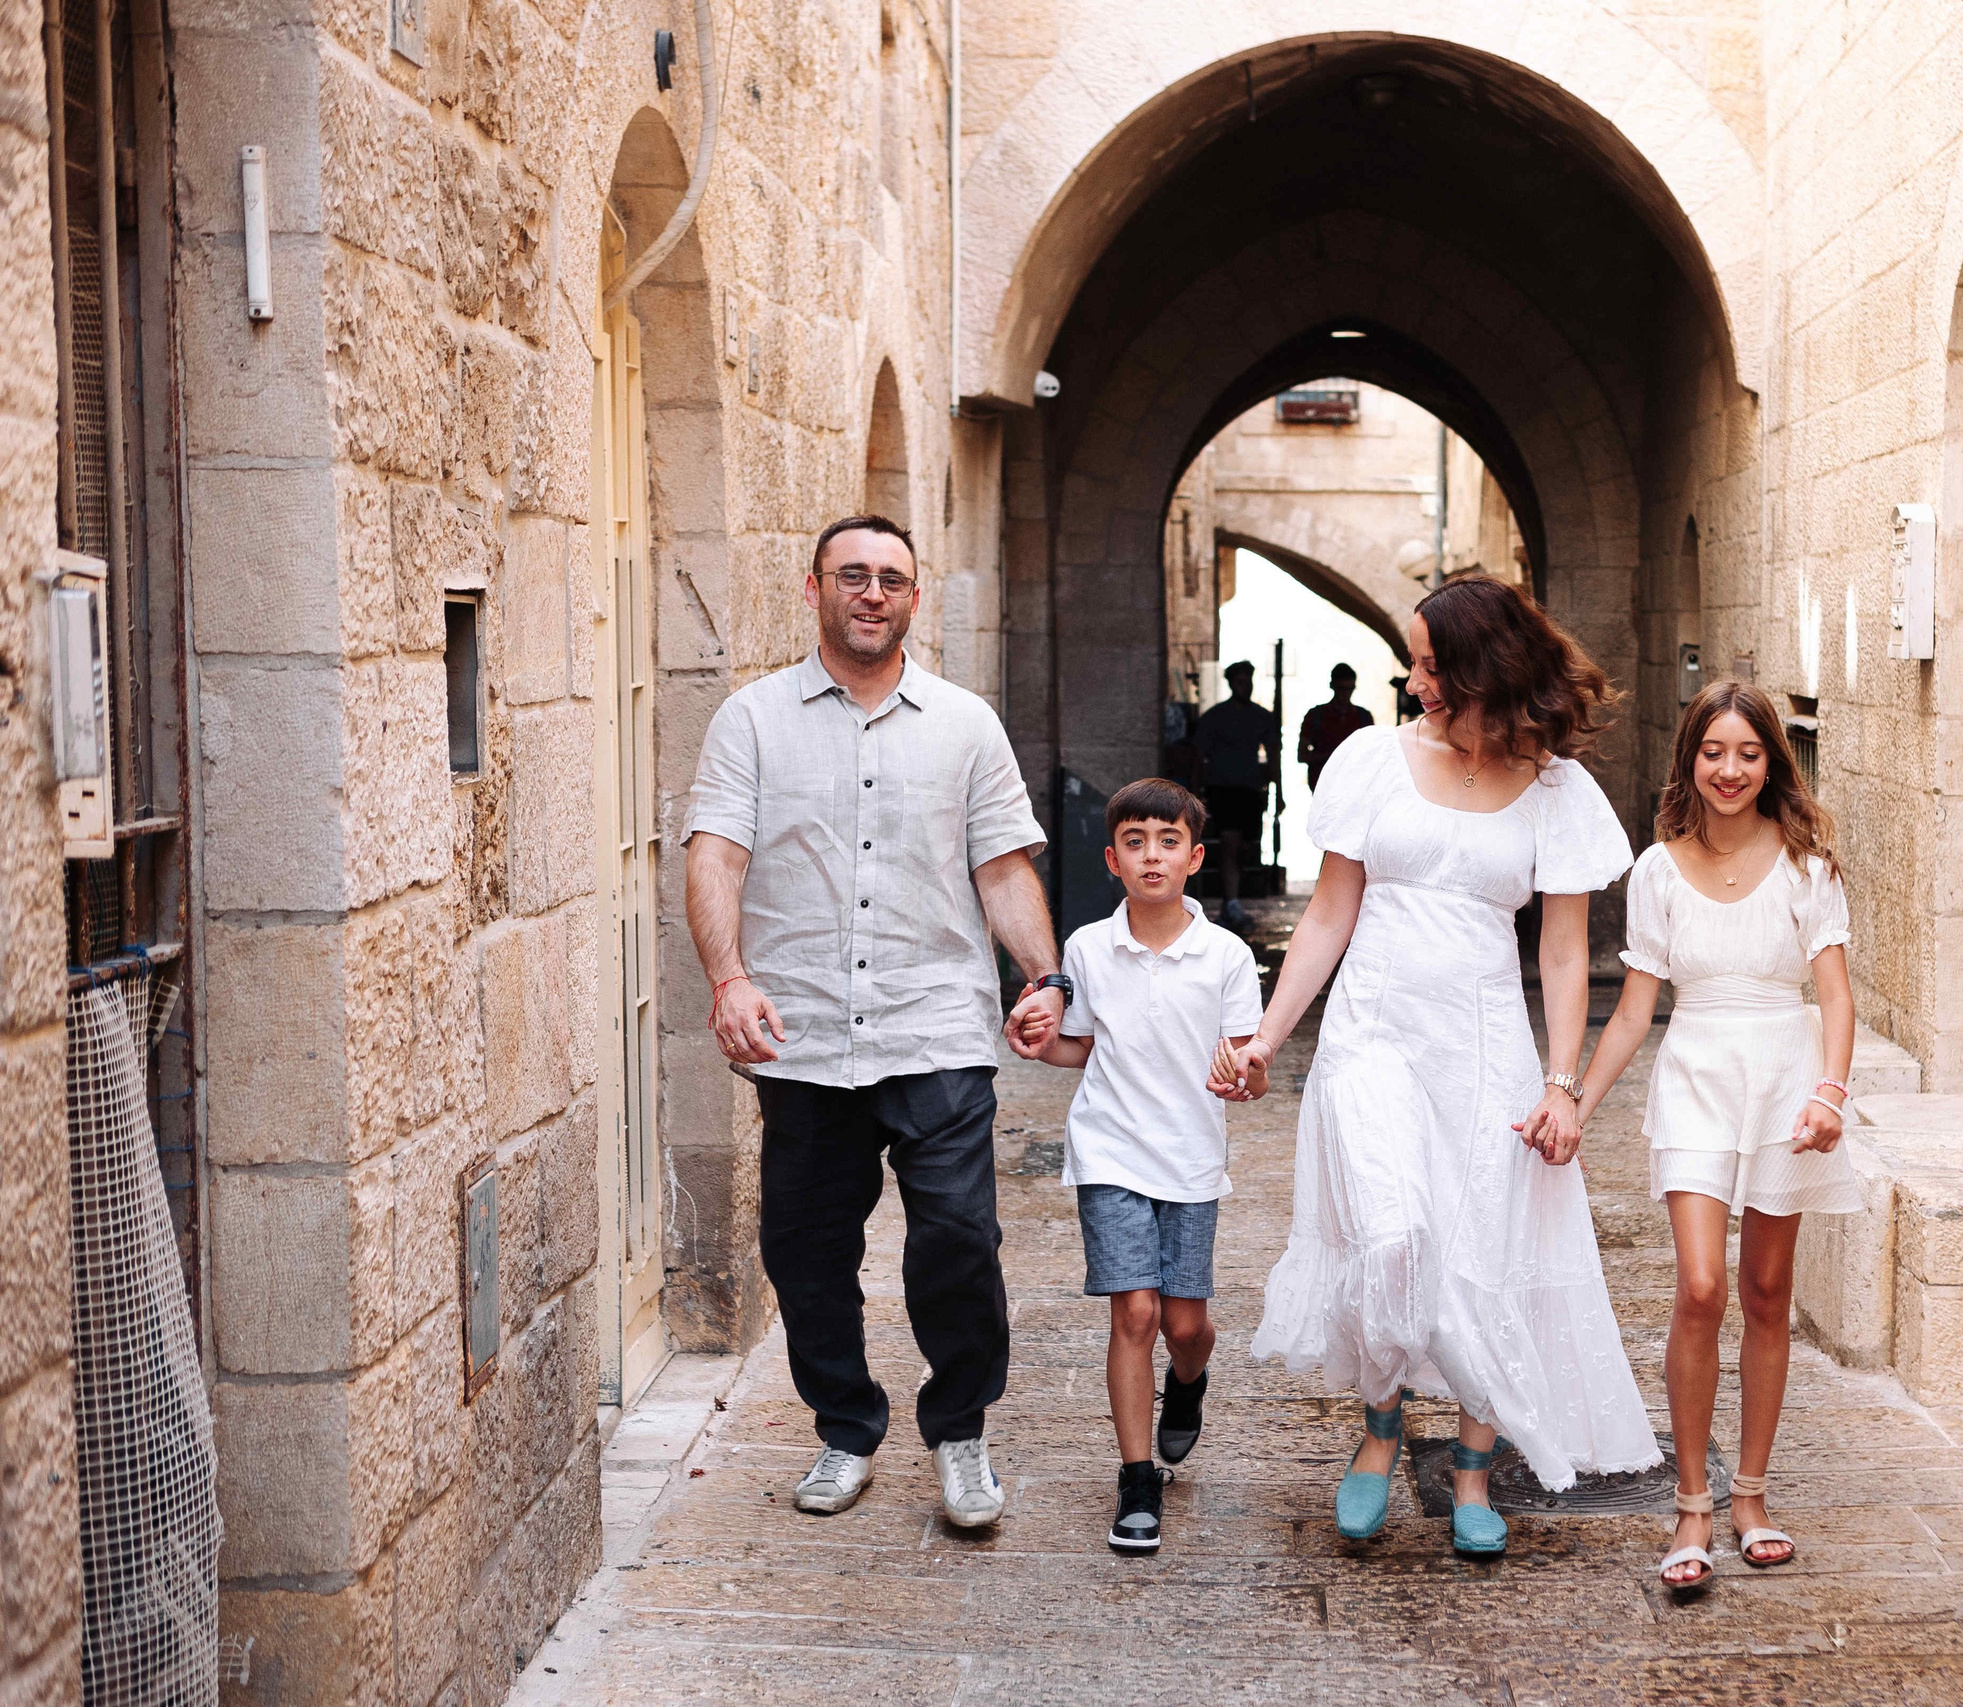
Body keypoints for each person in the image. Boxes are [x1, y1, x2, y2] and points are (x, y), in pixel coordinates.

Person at [1212, 572, 1660, 1558]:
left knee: (1484, 1252)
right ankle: (1378, 1431)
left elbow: (1558, 950)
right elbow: (1330, 912)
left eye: (1426, 661)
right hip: (1371, 1034)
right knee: (1393, 1235)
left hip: (1487, 1048)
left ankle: (1468, 1470)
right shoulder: (1373, 758)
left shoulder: (1555, 790)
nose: (1412, 678)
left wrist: (1561, 1082)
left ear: (1481, 667)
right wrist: (1265, 1035)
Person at [681, 513, 1068, 1530]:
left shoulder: (964, 724)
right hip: (799, 1030)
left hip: (932, 1023)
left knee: (957, 1238)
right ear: (812, 590)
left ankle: (960, 1430)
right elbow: (715, 854)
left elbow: (1002, 866)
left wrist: (1046, 976)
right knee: (805, 1251)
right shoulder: (753, 721)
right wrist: (728, 979)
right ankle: (845, 1427)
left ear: (912, 598)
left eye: (891, 578)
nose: (871, 592)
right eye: (851, 575)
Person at [1577, 679, 1860, 1587]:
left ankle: (1750, 1496)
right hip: (1696, 1078)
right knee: (1701, 1286)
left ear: (1771, 759)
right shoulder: (1658, 868)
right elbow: (1631, 1014)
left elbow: (1837, 994)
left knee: (1767, 1289)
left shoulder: (1807, 864)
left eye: (1748, 752)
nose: (1730, 769)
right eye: (1713, 751)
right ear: (1689, 759)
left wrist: (1829, 1092)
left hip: (1785, 1080)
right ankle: (1691, 1504)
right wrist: (1574, 1103)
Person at [1015, 779, 1266, 1553]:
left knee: (1186, 1325)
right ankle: (1135, 1479)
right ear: (1112, 859)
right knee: (1136, 1313)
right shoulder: (1088, 948)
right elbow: (1082, 1046)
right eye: (1134, 840)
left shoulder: (1225, 955)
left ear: (1194, 857)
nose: (1150, 854)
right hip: (1111, 1150)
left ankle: (1186, 1382)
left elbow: (1249, 1069)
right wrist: (1035, 1041)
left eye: (1166, 840)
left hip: (1190, 1158)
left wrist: (1243, 1077)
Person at [1189, 660, 1282, 929]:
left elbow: (1274, 754)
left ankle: (1233, 898)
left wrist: (1278, 791)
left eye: (1248, 681)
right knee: (1229, 843)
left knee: (1244, 847)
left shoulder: (1261, 717)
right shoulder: (1215, 717)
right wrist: (1195, 793)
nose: (1245, 686)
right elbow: (1197, 755)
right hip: (1223, 788)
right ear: (1231, 684)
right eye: (1240, 681)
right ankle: (1231, 901)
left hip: (1251, 789)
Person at [1297, 663, 1374, 787]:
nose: (1346, 694)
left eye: (1350, 689)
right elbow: (1302, 755)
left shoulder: (1363, 716)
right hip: (1324, 787)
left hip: (1354, 786)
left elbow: (1371, 755)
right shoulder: (1316, 715)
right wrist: (1335, 756)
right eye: (1342, 689)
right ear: (1332, 686)